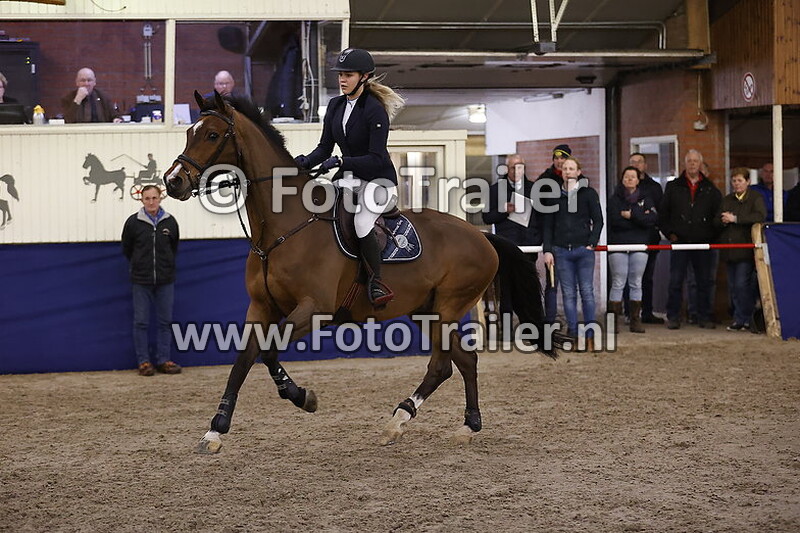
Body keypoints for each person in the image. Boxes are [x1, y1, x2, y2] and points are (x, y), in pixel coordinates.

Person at [293, 48, 404, 307]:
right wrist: (304, 162)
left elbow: (377, 157)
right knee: (318, 210)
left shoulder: (374, 110)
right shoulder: (335, 105)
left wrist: (342, 161)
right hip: (349, 179)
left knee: (362, 222)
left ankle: (376, 281)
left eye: (348, 75)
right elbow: (324, 147)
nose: (342, 80)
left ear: (364, 77)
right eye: (340, 75)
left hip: (378, 181)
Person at [542, 156, 603, 349]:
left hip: (583, 251)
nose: (568, 171)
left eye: (571, 168)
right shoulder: (554, 196)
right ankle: (574, 335)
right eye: (565, 168)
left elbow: (599, 220)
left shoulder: (588, 194)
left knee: (587, 293)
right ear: (562, 172)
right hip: (561, 251)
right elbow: (548, 226)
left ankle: (591, 336)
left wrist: (591, 243)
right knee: (568, 295)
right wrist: (548, 250)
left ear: (578, 172)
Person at [122, 185, 182, 376]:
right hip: (141, 280)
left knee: (165, 322)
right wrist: (140, 266)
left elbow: (174, 247)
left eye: (154, 198)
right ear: (141, 199)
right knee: (141, 322)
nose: (151, 202)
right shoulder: (133, 223)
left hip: (165, 280)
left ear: (160, 198)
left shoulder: (170, 222)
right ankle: (144, 362)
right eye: (147, 198)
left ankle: (164, 360)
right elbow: (127, 249)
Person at [659, 149, 722, 330]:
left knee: (703, 281)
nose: (692, 164)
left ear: (700, 164)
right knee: (676, 280)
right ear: (685, 163)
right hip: (679, 241)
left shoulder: (710, 188)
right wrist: (670, 233)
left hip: (703, 242)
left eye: (696, 161)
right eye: (689, 161)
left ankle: (704, 316)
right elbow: (663, 213)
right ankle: (673, 316)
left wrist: (711, 235)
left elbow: (717, 215)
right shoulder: (673, 187)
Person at [482, 153, 540, 329]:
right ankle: (506, 332)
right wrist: (504, 210)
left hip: (529, 246)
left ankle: (530, 330)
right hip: (506, 245)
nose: (516, 170)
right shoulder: (495, 189)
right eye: (512, 167)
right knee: (506, 291)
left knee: (528, 290)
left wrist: (539, 241)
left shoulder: (535, 188)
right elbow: (486, 217)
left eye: (519, 166)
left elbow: (541, 217)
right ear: (507, 168)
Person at [714, 168, 766, 331]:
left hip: (745, 250)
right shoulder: (727, 199)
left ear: (748, 182)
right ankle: (741, 318)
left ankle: (744, 318)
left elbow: (760, 216)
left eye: (740, 181)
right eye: (734, 181)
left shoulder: (755, 198)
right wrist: (723, 221)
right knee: (734, 286)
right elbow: (716, 220)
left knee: (741, 285)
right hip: (729, 250)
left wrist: (736, 219)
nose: (736, 184)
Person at [607, 166, 658, 334]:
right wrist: (639, 218)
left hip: (639, 245)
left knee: (636, 282)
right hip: (618, 245)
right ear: (622, 180)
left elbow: (651, 219)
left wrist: (632, 216)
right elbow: (614, 221)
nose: (629, 179)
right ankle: (612, 322)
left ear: (638, 180)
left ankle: (635, 321)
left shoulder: (646, 198)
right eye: (626, 177)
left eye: (632, 177)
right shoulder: (614, 199)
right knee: (618, 282)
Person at [536, 144, 571, 324]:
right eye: (556, 158)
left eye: (563, 158)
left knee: (570, 285)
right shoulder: (544, 180)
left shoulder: (579, 182)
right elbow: (538, 209)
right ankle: (549, 320)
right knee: (551, 283)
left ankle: (570, 320)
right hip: (550, 237)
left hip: (570, 239)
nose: (559, 161)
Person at [628, 152, 664, 323]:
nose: (636, 165)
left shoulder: (654, 187)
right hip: (628, 238)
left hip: (650, 238)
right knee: (630, 277)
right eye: (632, 162)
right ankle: (630, 313)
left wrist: (634, 215)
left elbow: (657, 215)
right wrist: (643, 214)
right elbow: (616, 213)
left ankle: (647, 312)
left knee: (647, 277)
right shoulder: (622, 188)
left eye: (639, 162)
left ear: (645, 165)